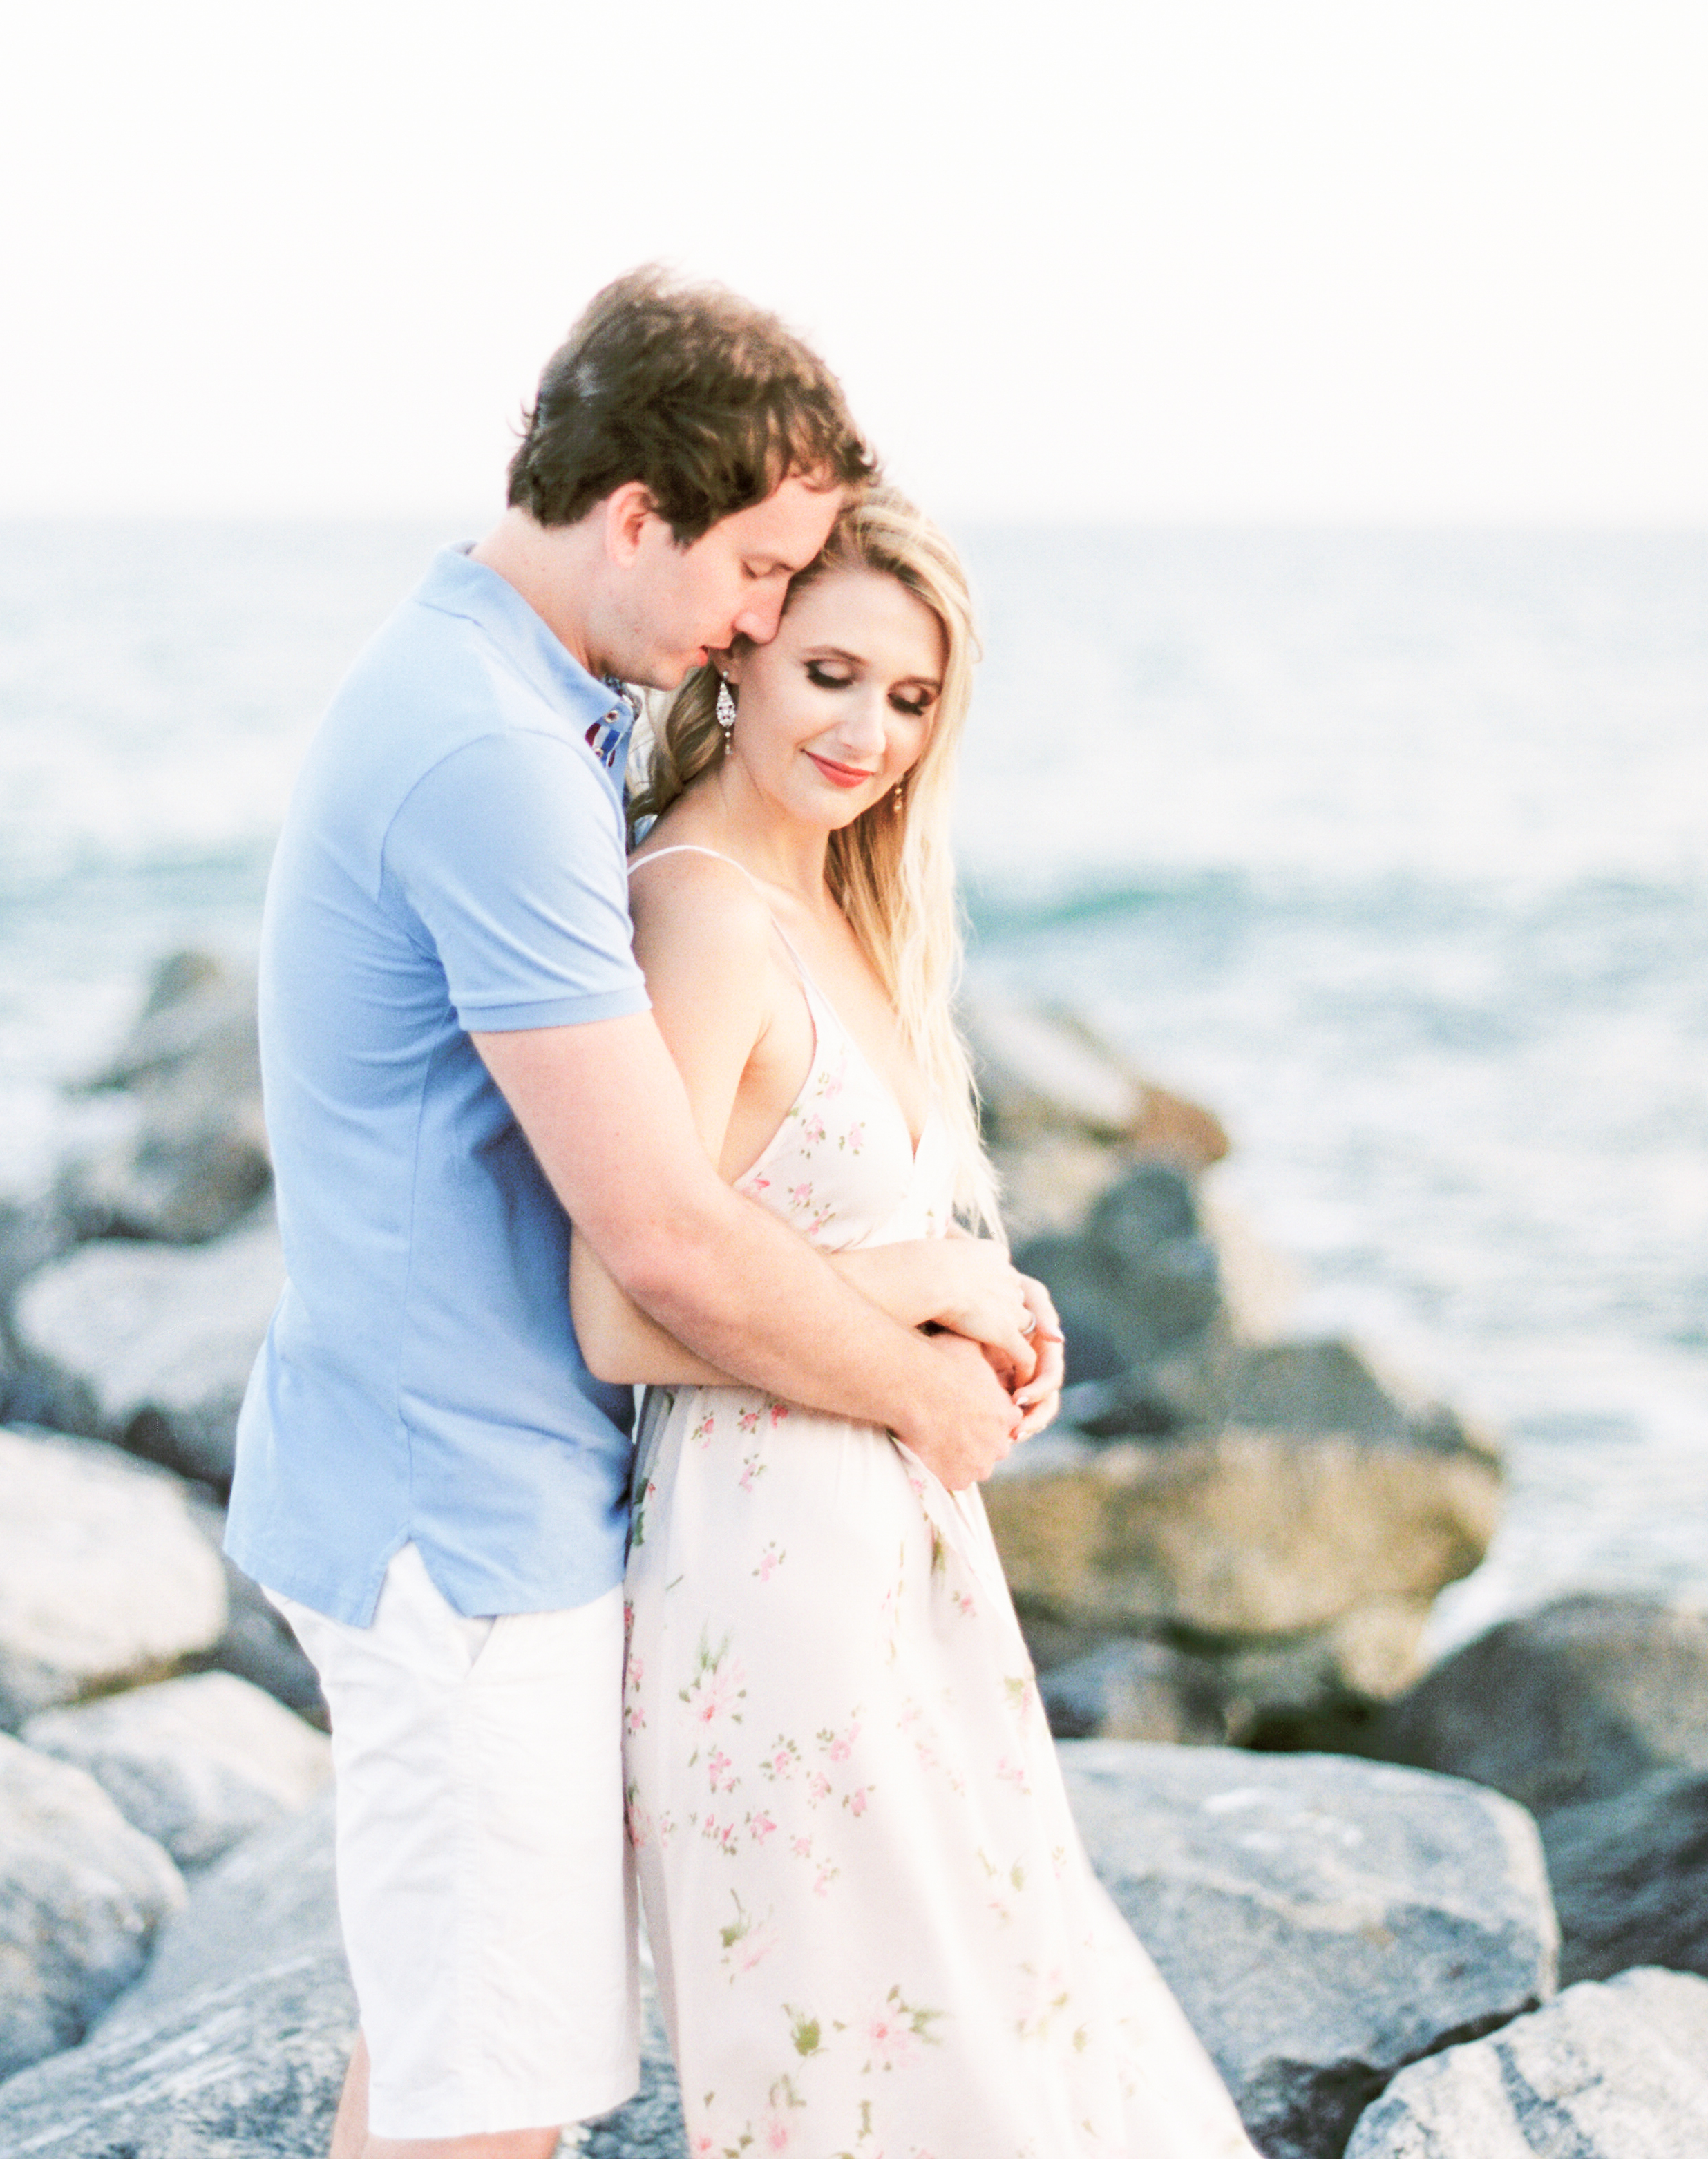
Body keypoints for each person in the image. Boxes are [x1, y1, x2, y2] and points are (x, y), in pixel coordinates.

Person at [225, 269, 1055, 2159]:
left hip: (464, 1485)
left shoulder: (521, 692)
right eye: (758, 579)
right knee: (489, 2116)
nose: (765, 623)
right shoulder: (497, 758)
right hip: (457, 1517)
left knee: (448, 2070)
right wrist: (920, 1375)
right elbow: (659, 1244)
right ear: (633, 519)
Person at [578, 487, 1259, 2156]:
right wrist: (923, 1291)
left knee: (1011, 2036)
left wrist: (974, 1323)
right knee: (888, 2082)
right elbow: (621, 1303)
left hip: (889, 1554)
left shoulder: (840, 906)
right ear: (736, 659)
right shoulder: (701, 910)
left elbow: (792, 1229)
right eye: (832, 672)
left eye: (910, 699)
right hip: (768, 1575)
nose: (867, 730)